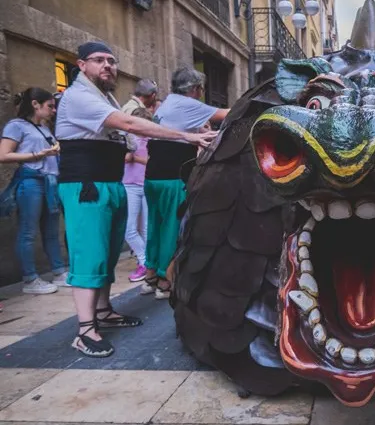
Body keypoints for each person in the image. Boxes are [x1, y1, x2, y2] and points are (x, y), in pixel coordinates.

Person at [55, 41, 217, 358]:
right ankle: (85, 329)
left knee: (107, 251)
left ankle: (103, 311)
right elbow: (129, 124)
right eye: (99, 60)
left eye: (112, 61)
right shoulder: (79, 96)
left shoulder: (104, 95)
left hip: (107, 184)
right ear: (82, 64)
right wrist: (187, 135)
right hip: (86, 185)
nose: (108, 65)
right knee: (89, 253)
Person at [142, 67, 229, 299]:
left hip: (153, 176)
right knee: (173, 226)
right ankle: (164, 281)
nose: (201, 92)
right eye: (201, 88)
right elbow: (227, 114)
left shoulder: (168, 103)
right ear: (194, 88)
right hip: (173, 175)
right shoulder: (187, 103)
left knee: (156, 225)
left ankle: (150, 275)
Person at [0, 88, 67, 294]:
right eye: (50, 106)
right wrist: (36, 155)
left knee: (51, 231)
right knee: (28, 231)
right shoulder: (16, 126)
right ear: (35, 104)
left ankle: (59, 271)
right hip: (31, 181)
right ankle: (30, 279)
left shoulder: (45, 128)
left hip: (49, 182)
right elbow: (4, 155)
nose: (53, 110)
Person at [123, 108, 151, 282]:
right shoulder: (127, 139)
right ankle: (144, 260)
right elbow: (124, 158)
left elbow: (153, 162)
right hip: (129, 184)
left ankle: (147, 265)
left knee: (147, 228)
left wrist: (137, 158)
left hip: (146, 184)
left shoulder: (151, 140)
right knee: (129, 228)